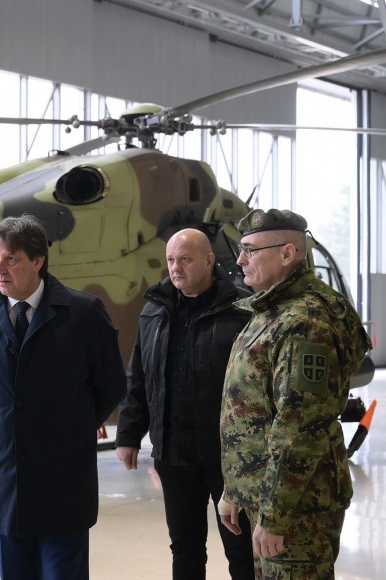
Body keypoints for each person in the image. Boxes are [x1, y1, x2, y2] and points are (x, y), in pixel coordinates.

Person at [0, 213, 126, 580]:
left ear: (38, 261)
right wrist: (0, 426)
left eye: (11, 259)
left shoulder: (83, 313)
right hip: (4, 476)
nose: (0, 269)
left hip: (63, 477)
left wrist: (70, 425)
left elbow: (110, 385)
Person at [220, 208, 371, 579]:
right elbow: (250, 412)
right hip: (269, 497)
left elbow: (300, 427)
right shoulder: (272, 310)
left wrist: (276, 515)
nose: (240, 260)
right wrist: (235, 490)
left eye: (250, 250)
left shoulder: (305, 323)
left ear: (288, 254)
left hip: (298, 508)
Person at [115, 228, 254, 579]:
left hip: (228, 457)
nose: (176, 268)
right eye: (171, 260)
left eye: (186, 260)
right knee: (185, 548)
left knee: (242, 548)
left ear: (209, 261)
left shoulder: (241, 311)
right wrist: (129, 434)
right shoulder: (154, 312)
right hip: (174, 454)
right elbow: (140, 376)